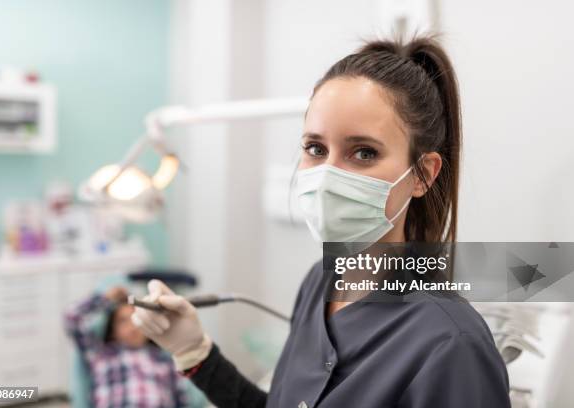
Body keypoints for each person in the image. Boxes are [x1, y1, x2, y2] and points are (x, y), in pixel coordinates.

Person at [131, 35, 511, 407]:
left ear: (422, 174)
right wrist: (194, 352)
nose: (328, 175)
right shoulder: (320, 281)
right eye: (316, 148)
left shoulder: (450, 344)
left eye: (363, 152)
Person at [64, 285, 190, 407]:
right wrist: (104, 298)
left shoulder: (164, 360)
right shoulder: (100, 354)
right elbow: (72, 318)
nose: (132, 327)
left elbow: (183, 400)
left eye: (137, 318)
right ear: (113, 330)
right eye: (123, 321)